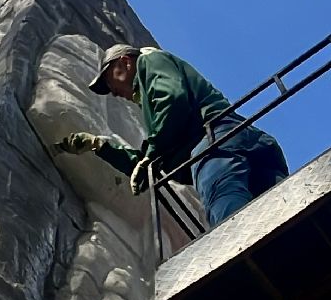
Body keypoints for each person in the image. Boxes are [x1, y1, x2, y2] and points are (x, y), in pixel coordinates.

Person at [53, 43, 288, 227]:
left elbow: (173, 100)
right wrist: (99, 146)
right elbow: (151, 166)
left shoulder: (149, 62)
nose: (112, 92)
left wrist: (153, 152)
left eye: (108, 79)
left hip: (215, 145)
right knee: (282, 212)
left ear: (124, 62)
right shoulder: (161, 121)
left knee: (232, 219)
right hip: (245, 141)